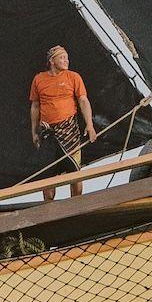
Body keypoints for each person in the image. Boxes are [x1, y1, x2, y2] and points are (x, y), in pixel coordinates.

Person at [29, 45, 94, 201]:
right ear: (52, 60)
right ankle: (49, 209)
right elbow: (35, 106)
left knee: (75, 172)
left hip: (69, 130)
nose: (66, 60)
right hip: (48, 133)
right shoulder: (39, 79)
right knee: (48, 176)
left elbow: (83, 100)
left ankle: (76, 204)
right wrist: (34, 131)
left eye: (67, 57)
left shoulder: (73, 77)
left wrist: (90, 125)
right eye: (62, 57)